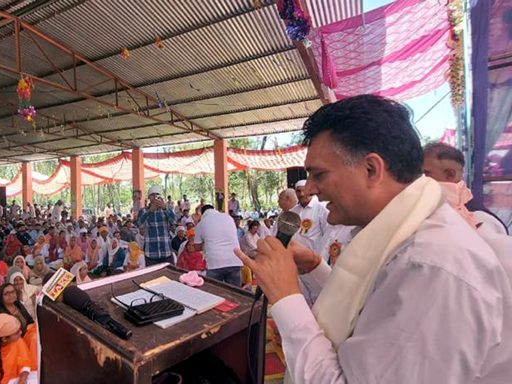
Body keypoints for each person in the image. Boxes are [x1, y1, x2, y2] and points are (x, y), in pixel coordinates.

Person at [236, 95, 512, 383]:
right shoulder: (412, 232)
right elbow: (376, 303)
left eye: (319, 175)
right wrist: (317, 266)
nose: (312, 189)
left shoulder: (432, 266)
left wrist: (285, 296)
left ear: (371, 169)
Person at [422, 142, 508, 236]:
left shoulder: (483, 219)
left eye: (426, 173)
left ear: (450, 174)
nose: (418, 179)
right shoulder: (487, 218)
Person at [193, 205, 243, 286]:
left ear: (202, 213)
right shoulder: (228, 217)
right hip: (234, 259)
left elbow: (197, 248)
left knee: (216, 292)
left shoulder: (201, 223)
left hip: (215, 262)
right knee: (235, 292)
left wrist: (205, 242)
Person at [136, 185, 176, 265]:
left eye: (157, 194)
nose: (154, 197)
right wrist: (149, 211)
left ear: (160, 197)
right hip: (150, 252)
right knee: (153, 276)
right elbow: (139, 225)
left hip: (166, 251)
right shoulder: (143, 211)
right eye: (152, 194)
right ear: (149, 197)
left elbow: (174, 222)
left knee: (168, 276)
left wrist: (165, 209)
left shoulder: (167, 209)